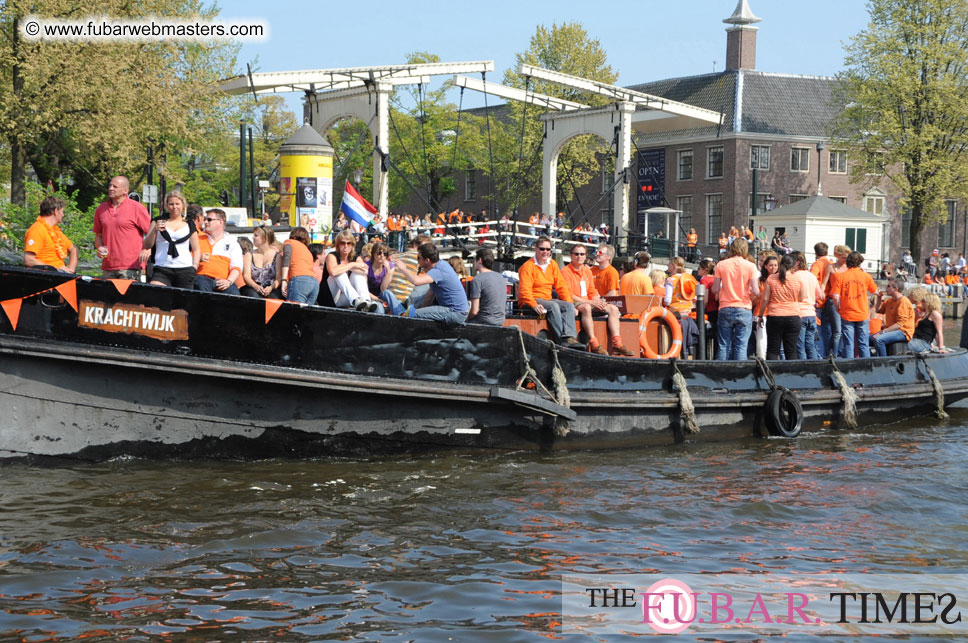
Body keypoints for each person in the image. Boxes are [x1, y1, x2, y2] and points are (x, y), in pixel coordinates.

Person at [562, 245, 635, 356]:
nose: (579, 257)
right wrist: (591, 302)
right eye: (576, 254)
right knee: (586, 308)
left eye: (582, 254)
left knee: (613, 308)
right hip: (575, 301)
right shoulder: (565, 271)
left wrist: (597, 301)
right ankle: (594, 343)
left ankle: (617, 344)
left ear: (585, 256)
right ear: (571, 255)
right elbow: (568, 294)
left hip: (588, 300)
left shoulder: (587, 271)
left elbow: (592, 291)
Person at [517, 236, 583, 348]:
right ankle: (561, 342)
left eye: (548, 249)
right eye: (542, 249)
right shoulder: (527, 267)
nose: (545, 252)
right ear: (536, 248)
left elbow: (561, 286)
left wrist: (570, 303)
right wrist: (534, 305)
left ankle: (570, 338)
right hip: (530, 301)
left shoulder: (552, 264)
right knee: (553, 306)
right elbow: (524, 291)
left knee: (568, 306)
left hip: (546, 299)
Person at [394, 242, 469, 324]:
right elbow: (430, 295)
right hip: (455, 311)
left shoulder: (438, 270)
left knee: (410, 314)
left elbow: (416, 281)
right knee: (415, 312)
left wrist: (403, 269)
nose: (417, 260)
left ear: (427, 260)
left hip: (455, 312)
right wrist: (421, 311)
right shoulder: (442, 265)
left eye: (418, 258)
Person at [93, 175, 150, 279]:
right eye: (110, 186)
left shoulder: (137, 208)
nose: (111, 188)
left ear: (125, 190)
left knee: (128, 296)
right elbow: (98, 235)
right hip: (108, 267)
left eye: (115, 186)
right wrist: (99, 247)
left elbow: (152, 233)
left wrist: (148, 249)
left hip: (130, 267)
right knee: (107, 295)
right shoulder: (101, 209)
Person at [139, 191, 199, 289]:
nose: (174, 207)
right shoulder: (157, 221)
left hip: (185, 269)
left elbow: (196, 248)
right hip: (162, 268)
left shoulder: (189, 223)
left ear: (183, 205)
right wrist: (154, 230)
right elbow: (147, 245)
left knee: (182, 302)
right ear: (167, 205)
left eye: (177, 204)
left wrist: (194, 266)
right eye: (171, 204)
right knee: (157, 295)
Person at [712, 238, 760, 360]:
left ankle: (721, 375)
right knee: (741, 346)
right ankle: (739, 376)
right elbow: (755, 290)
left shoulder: (721, 265)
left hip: (725, 307)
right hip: (744, 307)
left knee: (723, 345)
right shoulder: (751, 266)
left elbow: (715, 289)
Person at [829, 251, 878, 358]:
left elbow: (836, 297)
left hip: (847, 313)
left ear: (848, 262)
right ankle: (867, 367)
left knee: (848, 344)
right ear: (860, 262)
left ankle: (849, 368)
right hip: (863, 313)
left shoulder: (840, 277)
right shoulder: (866, 276)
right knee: (863, 343)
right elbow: (876, 292)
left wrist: (838, 309)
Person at [760, 254, 807, 360]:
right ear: (794, 265)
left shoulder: (771, 278)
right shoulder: (797, 279)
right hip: (793, 315)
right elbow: (801, 298)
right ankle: (791, 375)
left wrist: (760, 315)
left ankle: (771, 373)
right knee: (791, 350)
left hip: (775, 315)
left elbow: (765, 299)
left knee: (772, 349)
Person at [325, 229, 381, 312]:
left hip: (346, 298)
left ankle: (366, 301)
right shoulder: (332, 256)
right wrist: (352, 265)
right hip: (331, 296)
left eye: (349, 243)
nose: (346, 246)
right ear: (338, 245)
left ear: (352, 245)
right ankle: (355, 300)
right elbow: (333, 272)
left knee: (357, 275)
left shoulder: (356, 257)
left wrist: (350, 267)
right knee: (340, 273)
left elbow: (365, 270)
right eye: (342, 243)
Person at [24, 196, 78, 273]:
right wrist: (55, 269)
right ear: (56, 211)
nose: (63, 215)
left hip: (61, 274)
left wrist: (70, 270)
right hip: (45, 276)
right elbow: (29, 260)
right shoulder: (37, 229)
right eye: (62, 212)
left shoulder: (56, 230)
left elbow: (74, 249)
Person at [194, 208, 242, 295]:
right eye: (205, 219)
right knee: (202, 286)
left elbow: (236, 267)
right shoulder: (197, 238)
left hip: (223, 281)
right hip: (201, 278)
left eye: (209, 219)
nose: (205, 222)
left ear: (220, 222)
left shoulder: (232, 242)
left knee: (234, 294)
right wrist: (198, 258)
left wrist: (229, 281)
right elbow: (186, 260)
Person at [385, 234, 433, 314]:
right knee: (430, 282)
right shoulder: (418, 256)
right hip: (405, 300)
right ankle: (418, 312)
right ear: (415, 246)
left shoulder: (396, 256)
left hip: (391, 296)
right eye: (425, 248)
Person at [870, 277, 916, 357]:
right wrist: (879, 298)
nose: (886, 288)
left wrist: (882, 332)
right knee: (865, 340)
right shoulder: (890, 301)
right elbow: (878, 310)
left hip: (903, 332)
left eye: (888, 286)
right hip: (891, 330)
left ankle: (884, 362)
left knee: (879, 340)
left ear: (896, 289)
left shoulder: (903, 302)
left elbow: (900, 324)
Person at [819, 244, 850, 357]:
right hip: (833, 300)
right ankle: (834, 355)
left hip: (846, 300)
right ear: (838, 256)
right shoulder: (831, 267)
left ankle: (837, 352)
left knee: (843, 329)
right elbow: (824, 283)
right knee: (837, 330)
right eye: (843, 258)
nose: (845, 260)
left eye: (847, 258)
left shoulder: (849, 268)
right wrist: (820, 293)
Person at [791, 251, 822, 360]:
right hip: (811, 313)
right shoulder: (811, 276)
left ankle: (803, 369)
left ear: (797, 262)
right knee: (810, 344)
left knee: (800, 346)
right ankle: (815, 367)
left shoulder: (793, 276)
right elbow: (820, 295)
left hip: (799, 313)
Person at [279, 227, 321, 305]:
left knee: (294, 314)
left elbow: (286, 259)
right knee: (306, 315)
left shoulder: (290, 243)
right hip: (314, 283)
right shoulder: (307, 250)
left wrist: (284, 280)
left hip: (299, 281)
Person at [466, 248, 506, 326]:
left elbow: (474, 311)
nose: (474, 263)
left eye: (475, 260)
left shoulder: (477, 280)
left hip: (484, 321)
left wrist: (467, 318)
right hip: (500, 320)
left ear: (479, 260)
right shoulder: (500, 277)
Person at [241, 226, 282, 299]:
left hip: (271, 288)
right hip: (253, 287)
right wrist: (255, 286)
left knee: (274, 298)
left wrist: (270, 288)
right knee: (253, 296)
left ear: (265, 238)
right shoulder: (249, 255)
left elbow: (278, 278)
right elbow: (246, 276)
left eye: (256, 235)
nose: (253, 237)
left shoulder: (277, 256)